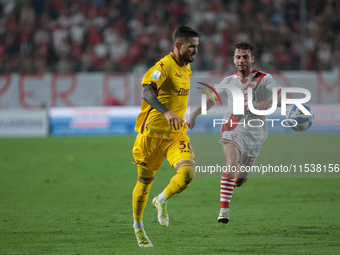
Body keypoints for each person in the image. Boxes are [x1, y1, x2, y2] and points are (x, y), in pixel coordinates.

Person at [186, 41, 282, 224]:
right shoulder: (229, 81)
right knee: (231, 161)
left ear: (252, 58)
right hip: (232, 128)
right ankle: (224, 211)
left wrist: (270, 103)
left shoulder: (264, 78)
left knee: (238, 180)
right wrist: (194, 116)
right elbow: (212, 99)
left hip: (255, 135)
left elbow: (280, 94)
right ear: (234, 59)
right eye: (238, 57)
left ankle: (239, 173)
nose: (242, 60)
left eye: (245, 57)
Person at [132, 25, 200, 247]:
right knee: (144, 182)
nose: (195, 51)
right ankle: (138, 227)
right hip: (151, 135)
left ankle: (161, 200)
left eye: (197, 46)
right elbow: (147, 91)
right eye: (192, 47)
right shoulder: (163, 66)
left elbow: (177, 99)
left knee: (188, 172)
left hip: (175, 135)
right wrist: (166, 111)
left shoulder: (186, 68)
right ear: (178, 45)